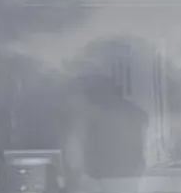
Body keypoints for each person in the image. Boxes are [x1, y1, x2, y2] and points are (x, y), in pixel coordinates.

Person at [63, 58, 149, 186]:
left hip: (97, 182)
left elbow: (74, 155)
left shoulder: (85, 115)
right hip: (131, 180)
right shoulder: (139, 114)